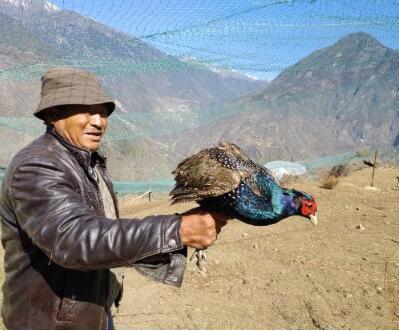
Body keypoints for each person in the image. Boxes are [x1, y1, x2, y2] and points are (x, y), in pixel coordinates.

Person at [0, 67, 229, 329]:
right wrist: (176, 230)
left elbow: (103, 233)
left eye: (104, 111)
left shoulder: (89, 163)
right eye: (87, 110)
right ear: (53, 113)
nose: (99, 121)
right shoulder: (36, 167)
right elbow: (75, 239)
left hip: (90, 313)